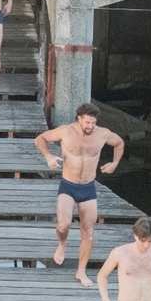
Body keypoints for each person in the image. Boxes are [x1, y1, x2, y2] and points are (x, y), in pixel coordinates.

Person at [34, 102, 125, 286]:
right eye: (87, 122)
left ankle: (81, 271)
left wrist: (115, 163)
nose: (90, 126)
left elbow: (119, 142)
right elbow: (40, 139)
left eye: (93, 122)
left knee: (88, 232)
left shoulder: (102, 133)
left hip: (88, 187)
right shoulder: (66, 131)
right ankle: (62, 243)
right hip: (68, 185)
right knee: (63, 225)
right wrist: (49, 157)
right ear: (79, 118)